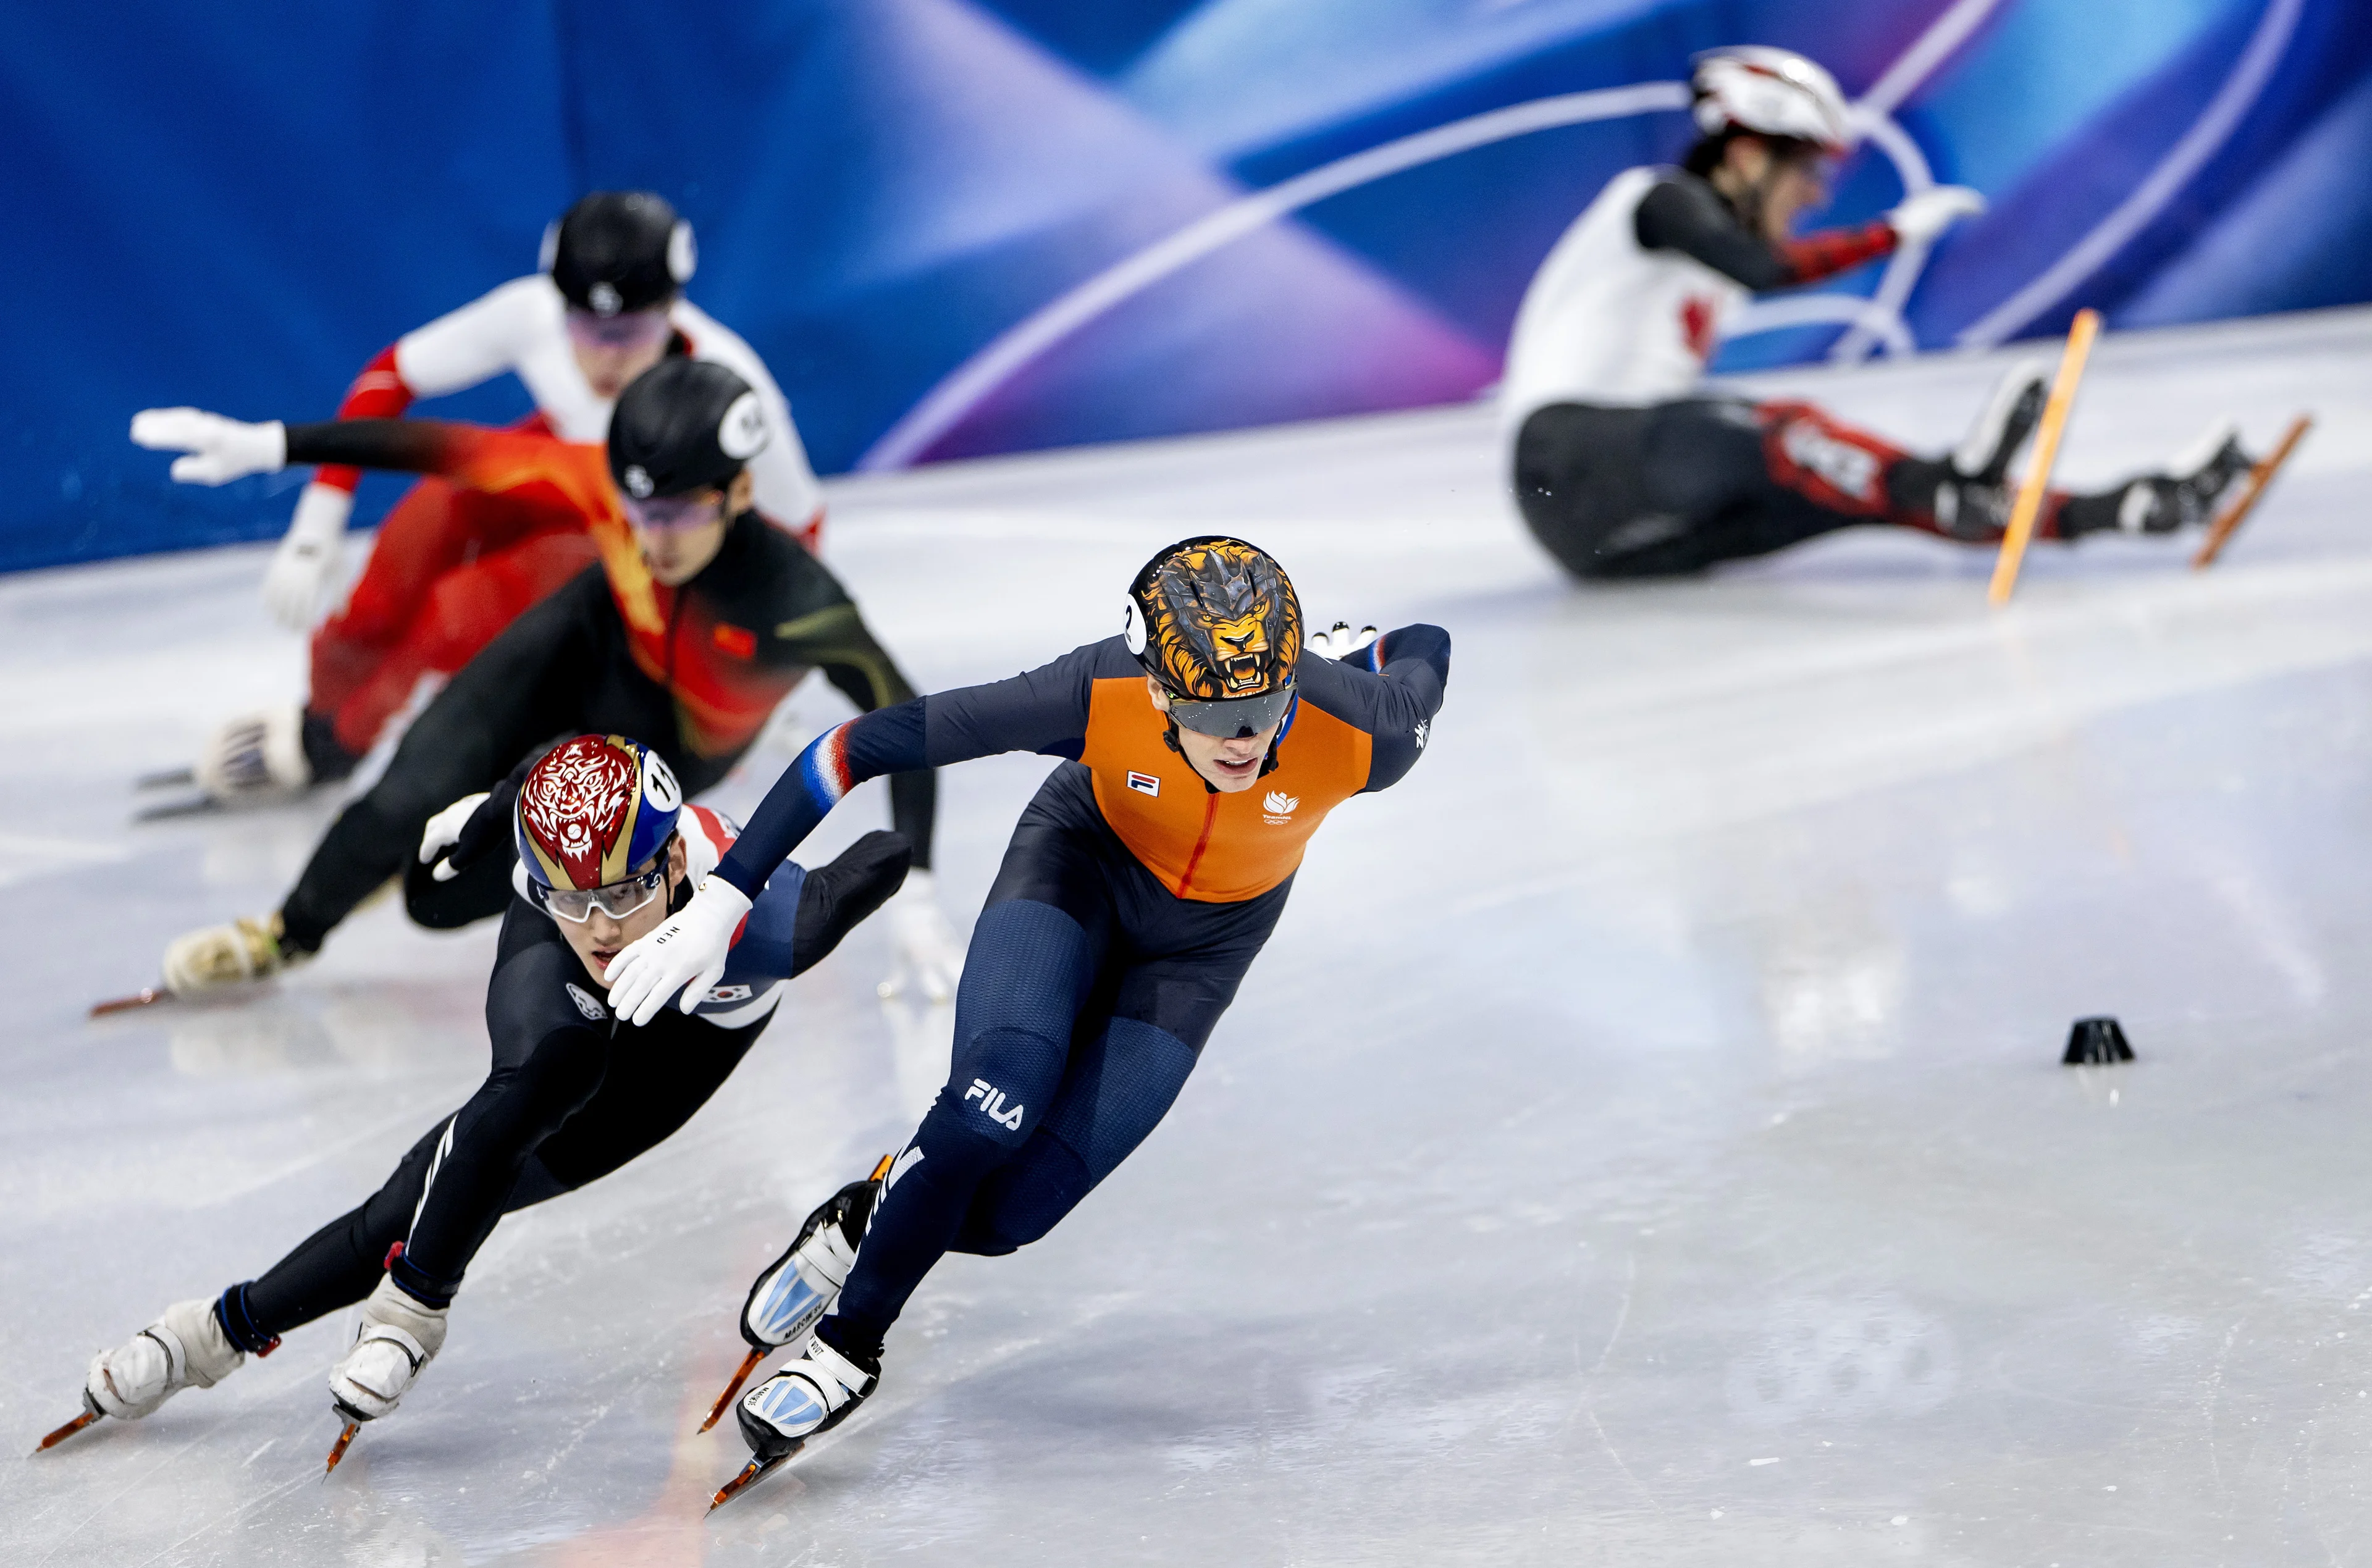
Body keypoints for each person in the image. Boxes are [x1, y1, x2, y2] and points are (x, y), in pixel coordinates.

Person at [597, 537, 1450, 1486]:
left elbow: (1429, 644)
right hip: (1077, 870)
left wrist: (1367, 661)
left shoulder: (1366, 731)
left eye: (1263, 704)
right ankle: (848, 1344)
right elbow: (850, 748)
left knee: (1011, 1215)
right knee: (991, 1100)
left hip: (1200, 954)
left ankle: (871, 1207)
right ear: (1160, 688)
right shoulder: (1095, 690)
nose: (1245, 735)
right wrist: (724, 899)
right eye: (1215, 709)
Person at [54, 735, 909, 1451]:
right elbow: (552, 773)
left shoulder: (774, 922)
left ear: (677, 859)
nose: (604, 928)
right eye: (574, 897)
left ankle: (385, 1301)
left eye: (623, 892)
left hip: (689, 1034)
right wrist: (499, 806)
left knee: (515, 1133)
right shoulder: (568, 902)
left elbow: (883, 856)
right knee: (469, 1145)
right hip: (569, 986)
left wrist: (899, 890)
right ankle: (222, 1330)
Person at [129, 358, 965, 1000]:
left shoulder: (799, 601)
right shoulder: (609, 490)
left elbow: (904, 723)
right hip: (584, 636)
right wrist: (274, 445)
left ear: (740, 489)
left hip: (665, 737)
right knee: (407, 789)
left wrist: (919, 890)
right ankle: (286, 933)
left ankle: (409, 873)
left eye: (679, 512)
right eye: (640, 512)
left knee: (437, 902)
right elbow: (435, 448)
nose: (656, 539)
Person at [1502, 46, 2258, 580]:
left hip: (1612, 540)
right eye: (1805, 169)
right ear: (1744, 155)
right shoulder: (1659, 200)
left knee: (1854, 494)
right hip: (1561, 461)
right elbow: (1765, 270)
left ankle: (2114, 509)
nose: (1817, 194)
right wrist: (1892, 232)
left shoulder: (1706, 259)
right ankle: (1958, 479)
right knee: (1788, 434)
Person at [200, 191, 828, 805]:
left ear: (673, 310)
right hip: (573, 470)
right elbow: (389, 376)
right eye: (585, 325)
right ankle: (323, 716)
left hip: (656, 532)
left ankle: (343, 742)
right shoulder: (530, 315)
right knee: (419, 529)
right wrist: (318, 524)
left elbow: (802, 532)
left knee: (460, 614)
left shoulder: (731, 390)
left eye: (631, 330)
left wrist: (744, 679)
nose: (606, 356)